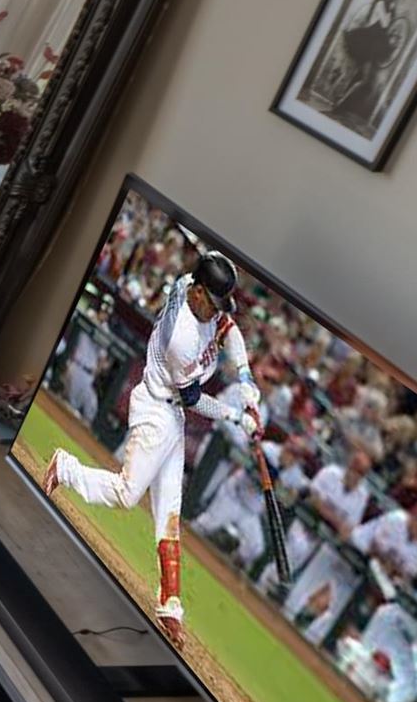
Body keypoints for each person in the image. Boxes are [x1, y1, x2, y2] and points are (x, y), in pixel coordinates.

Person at [43, 248, 270, 641]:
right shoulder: (181, 336)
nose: (216, 311)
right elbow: (195, 399)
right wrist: (238, 415)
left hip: (172, 416)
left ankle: (170, 605)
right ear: (197, 293)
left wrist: (246, 379)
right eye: (211, 302)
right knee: (126, 494)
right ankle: (65, 468)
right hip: (157, 409)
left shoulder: (194, 292)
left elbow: (229, 328)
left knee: (170, 511)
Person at [307, 446, 377, 538]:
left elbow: (349, 528)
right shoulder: (331, 472)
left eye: (360, 472)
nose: (355, 474)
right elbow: (312, 498)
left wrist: (326, 511)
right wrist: (337, 521)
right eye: (354, 468)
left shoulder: (362, 496)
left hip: (330, 540)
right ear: (349, 465)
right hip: (308, 522)